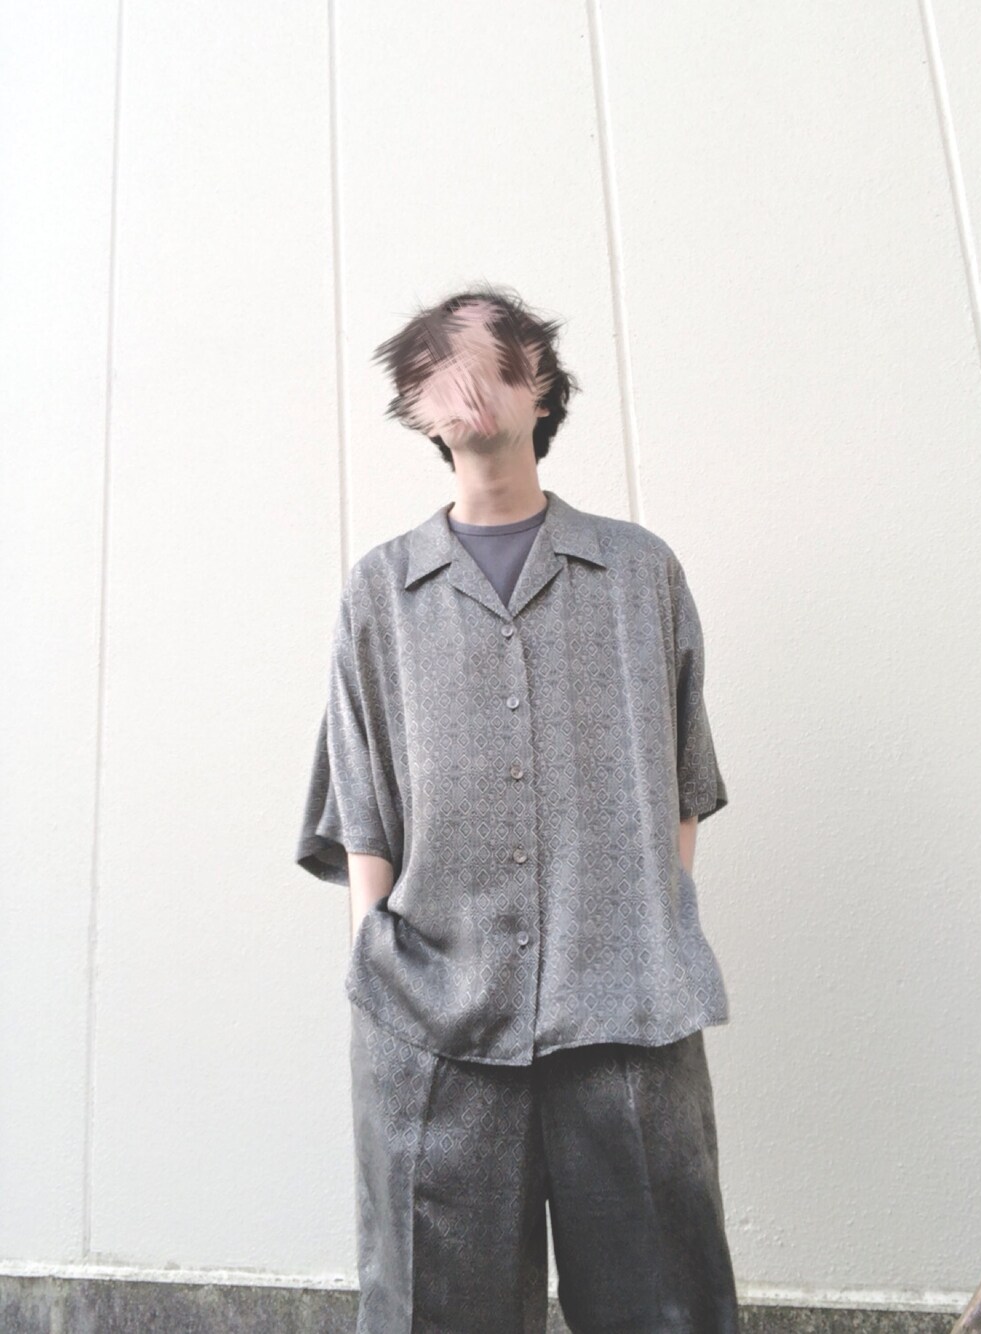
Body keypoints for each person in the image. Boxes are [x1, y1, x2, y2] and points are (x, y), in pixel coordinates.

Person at [296, 284, 741, 1333]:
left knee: (663, 1303)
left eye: (496, 361)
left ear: (542, 387)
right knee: (436, 1308)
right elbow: (360, 798)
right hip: (431, 1013)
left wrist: (648, 923)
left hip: (627, 1007)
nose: (468, 388)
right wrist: (375, 948)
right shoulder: (381, 590)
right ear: (415, 408)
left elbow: (684, 778)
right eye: (438, 370)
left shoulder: (639, 572)